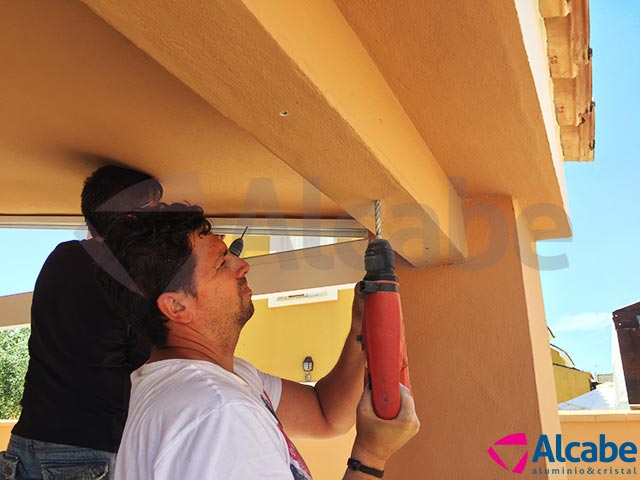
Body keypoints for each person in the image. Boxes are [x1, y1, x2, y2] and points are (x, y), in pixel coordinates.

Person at [99, 202, 419, 479]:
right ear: (175, 305)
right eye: (221, 263)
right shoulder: (217, 415)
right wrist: (371, 456)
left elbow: (326, 414)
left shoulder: (218, 380)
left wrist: (359, 328)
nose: (242, 265)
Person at [0, 166, 163, 480]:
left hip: (26, 442)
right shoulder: (126, 278)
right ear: (129, 217)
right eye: (154, 211)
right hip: (85, 452)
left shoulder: (61, 257)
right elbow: (150, 365)